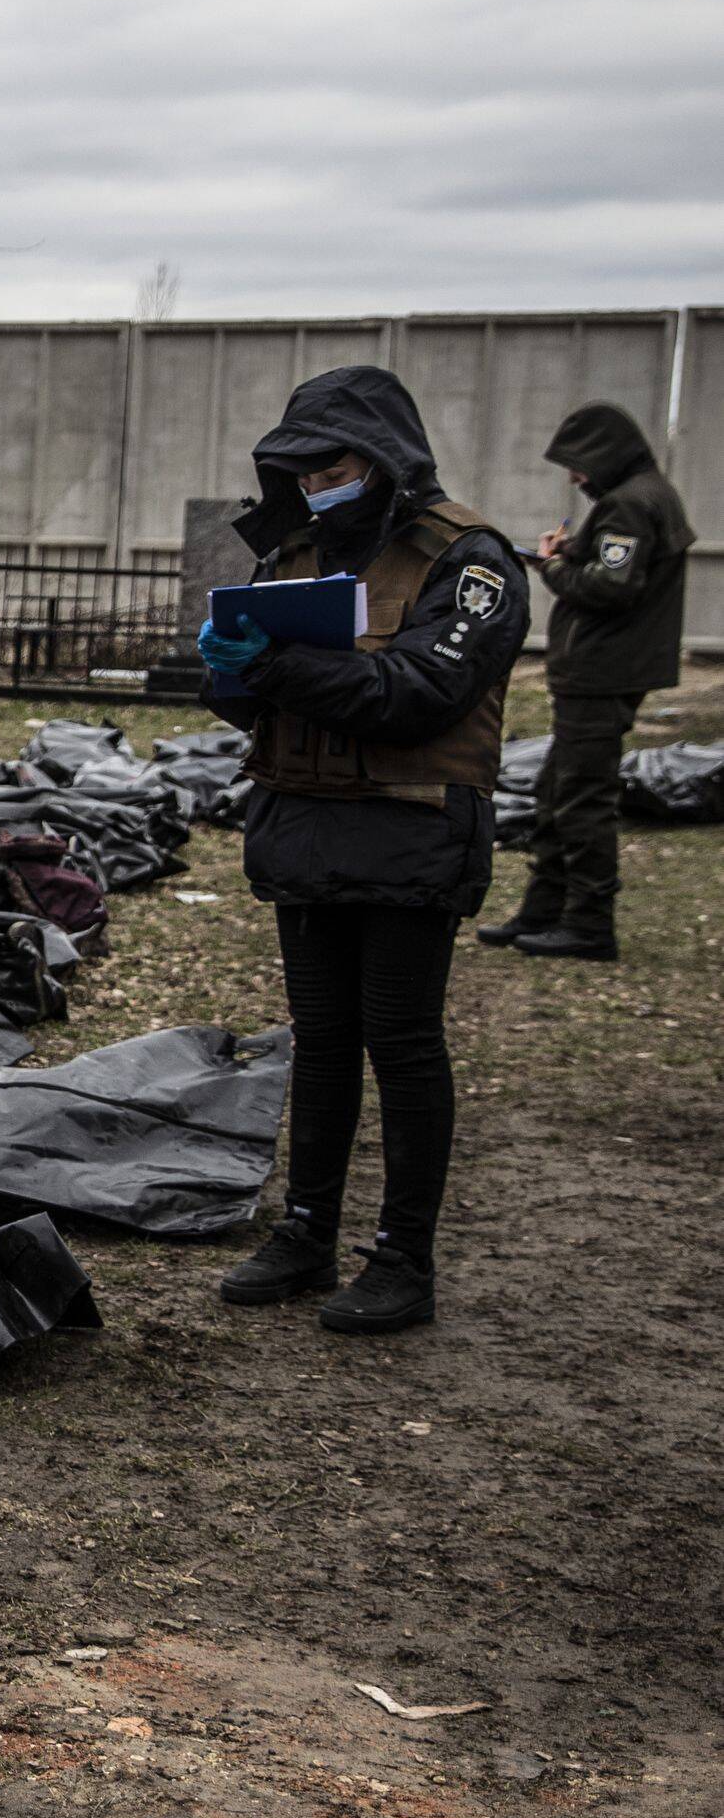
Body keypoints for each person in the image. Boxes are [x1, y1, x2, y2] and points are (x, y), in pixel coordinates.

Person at [196, 364, 526, 1336]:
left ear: (383, 460)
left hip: (410, 831)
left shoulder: (469, 561)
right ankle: (306, 1231)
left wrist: (276, 664)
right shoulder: (293, 554)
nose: (314, 487)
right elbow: (259, 700)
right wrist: (229, 675)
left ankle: (402, 1259)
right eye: (299, 472)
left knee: (402, 1041)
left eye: (331, 469)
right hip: (304, 828)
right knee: (323, 1038)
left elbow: (421, 693)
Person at [482, 402, 695, 961]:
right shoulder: (645, 496)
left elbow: (610, 587)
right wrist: (575, 551)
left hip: (602, 671)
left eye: (578, 464)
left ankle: (588, 923)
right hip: (608, 668)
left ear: (605, 455)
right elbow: (617, 567)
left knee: (581, 798)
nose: (575, 477)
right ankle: (543, 910)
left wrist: (551, 566)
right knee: (557, 788)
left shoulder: (628, 503)